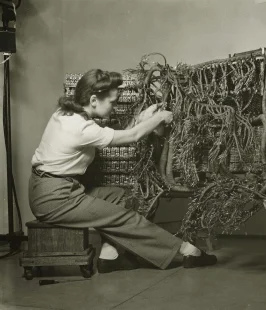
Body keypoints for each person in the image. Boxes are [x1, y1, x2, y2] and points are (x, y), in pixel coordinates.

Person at [29, 69, 217, 273]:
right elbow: (132, 136)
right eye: (112, 102)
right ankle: (186, 250)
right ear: (93, 100)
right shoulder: (80, 128)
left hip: (57, 188)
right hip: (55, 198)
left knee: (121, 197)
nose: (114, 107)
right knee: (124, 217)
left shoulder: (67, 115)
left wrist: (142, 119)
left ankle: (110, 256)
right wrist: (160, 117)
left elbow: (117, 132)